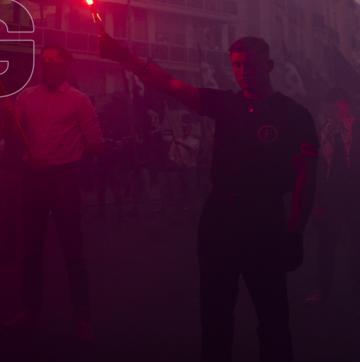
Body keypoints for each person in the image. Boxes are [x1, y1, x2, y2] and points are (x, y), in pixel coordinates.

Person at [101, 33, 318, 362]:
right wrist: (127, 58)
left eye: (250, 65)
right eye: (237, 65)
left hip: (265, 224)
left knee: (273, 318)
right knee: (216, 317)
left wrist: (295, 231)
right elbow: (172, 86)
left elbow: (307, 178)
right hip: (221, 223)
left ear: (269, 66)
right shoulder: (226, 104)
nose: (243, 72)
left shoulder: (294, 115)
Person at [6, 45, 102, 340]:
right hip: (33, 179)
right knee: (30, 250)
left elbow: (95, 142)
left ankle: (83, 318)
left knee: (72, 250)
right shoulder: (26, 97)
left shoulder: (79, 101)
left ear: (65, 67)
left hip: (64, 179)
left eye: (53, 63)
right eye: (44, 62)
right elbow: (14, 135)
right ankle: (29, 311)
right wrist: (9, 118)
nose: (47, 67)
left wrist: (71, 156)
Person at [306, 89, 359, 306]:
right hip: (331, 197)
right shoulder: (324, 130)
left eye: (335, 103)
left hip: (355, 196)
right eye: (329, 104)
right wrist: (318, 201)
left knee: (356, 244)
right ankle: (322, 288)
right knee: (326, 245)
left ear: (345, 105)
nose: (331, 108)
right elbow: (318, 168)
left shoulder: (356, 127)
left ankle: (356, 287)